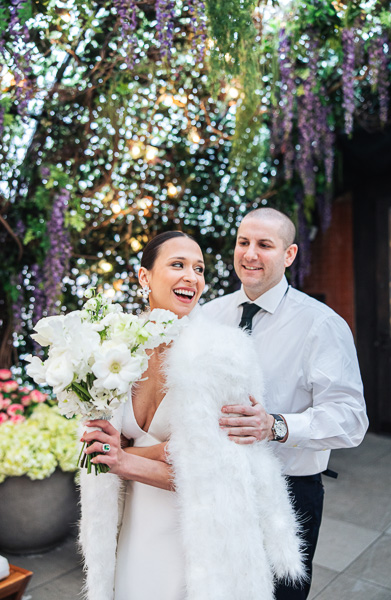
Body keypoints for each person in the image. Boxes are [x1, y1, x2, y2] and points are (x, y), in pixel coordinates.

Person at [79, 231, 305, 600]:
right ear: (144, 277)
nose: (192, 277)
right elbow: (102, 439)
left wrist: (122, 459)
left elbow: (213, 465)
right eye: (178, 265)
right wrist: (129, 450)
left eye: (199, 268)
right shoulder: (115, 348)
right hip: (133, 523)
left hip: (194, 532)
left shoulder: (224, 354)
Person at [202, 207, 369, 600]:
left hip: (289, 489)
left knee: (281, 594)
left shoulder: (321, 324)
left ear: (289, 254)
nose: (250, 254)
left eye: (264, 245)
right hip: (216, 484)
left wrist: (275, 426)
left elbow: (350, 420)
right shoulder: (208, 315)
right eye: (243, 242)